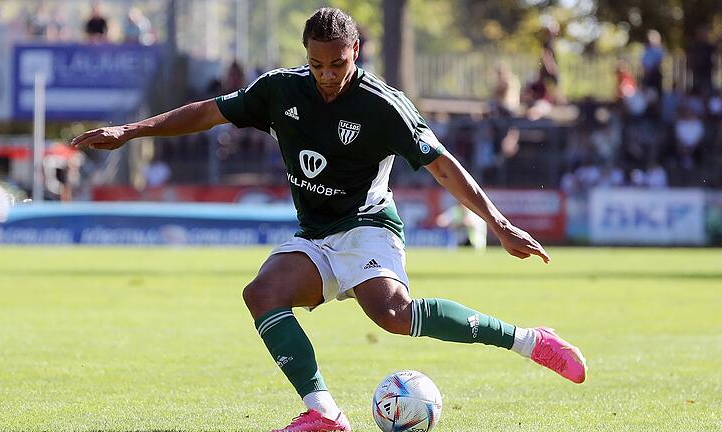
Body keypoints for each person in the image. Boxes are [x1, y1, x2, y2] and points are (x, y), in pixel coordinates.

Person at [71, 8, 587, 432]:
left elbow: (442, 166)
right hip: (316, 233)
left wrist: (499, 225)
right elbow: (208, 112)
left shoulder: (384, 106)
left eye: (337, 64)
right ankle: (325, 415)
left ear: (355, 53)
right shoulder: (280, 91)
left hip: (367, 225)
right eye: (317, 65)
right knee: (262, 293)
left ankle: (530, 341)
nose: (327, 76)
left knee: (392, 315)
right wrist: (130, 131)